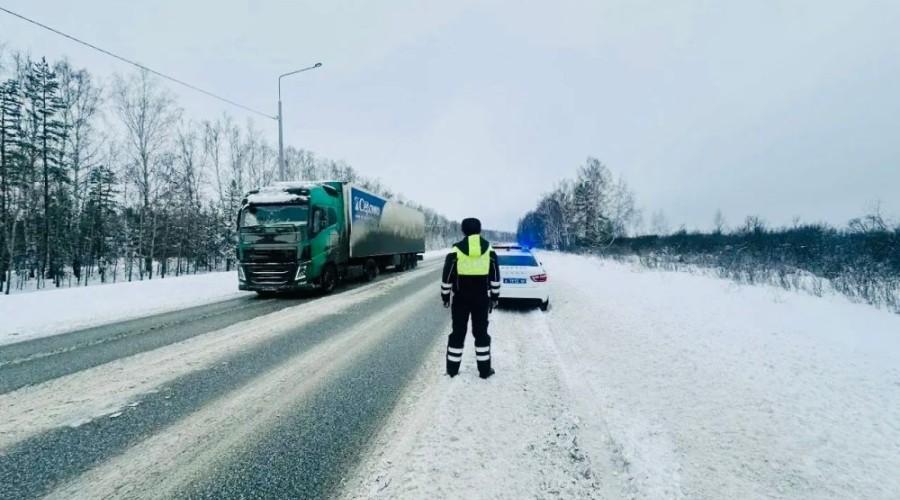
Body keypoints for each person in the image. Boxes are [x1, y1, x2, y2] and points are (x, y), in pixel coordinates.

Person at [440, 217, 501, 379]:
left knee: (458, 333)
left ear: (463, 231)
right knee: (481, 333)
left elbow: (447, 277)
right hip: (481, 299)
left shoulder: (456, 251)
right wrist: (495, 296)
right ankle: (484, 371)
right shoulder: (489, 250)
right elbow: (495, 276)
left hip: (460, 299)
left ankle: (452, 371)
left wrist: (445, 296)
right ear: (479, 230)